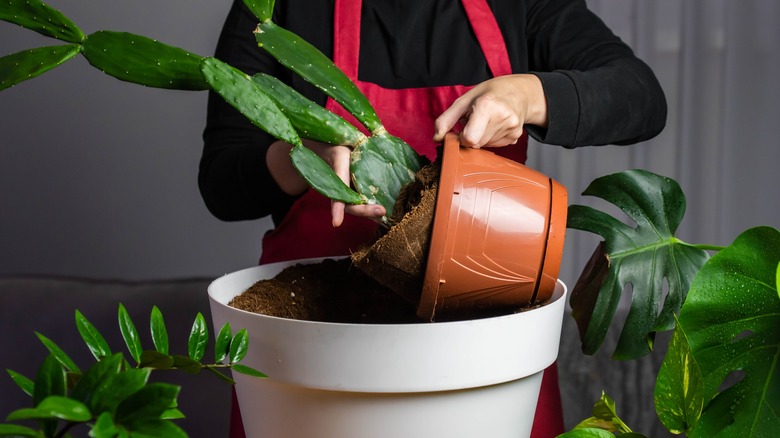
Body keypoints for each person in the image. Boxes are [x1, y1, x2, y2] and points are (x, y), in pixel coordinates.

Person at [200, 0, 667, 436]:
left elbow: (641, 94)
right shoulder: (275, 8)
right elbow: (221, 181)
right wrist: (301, 157)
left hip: (485, 355)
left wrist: (529, 95)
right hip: (312, 352)